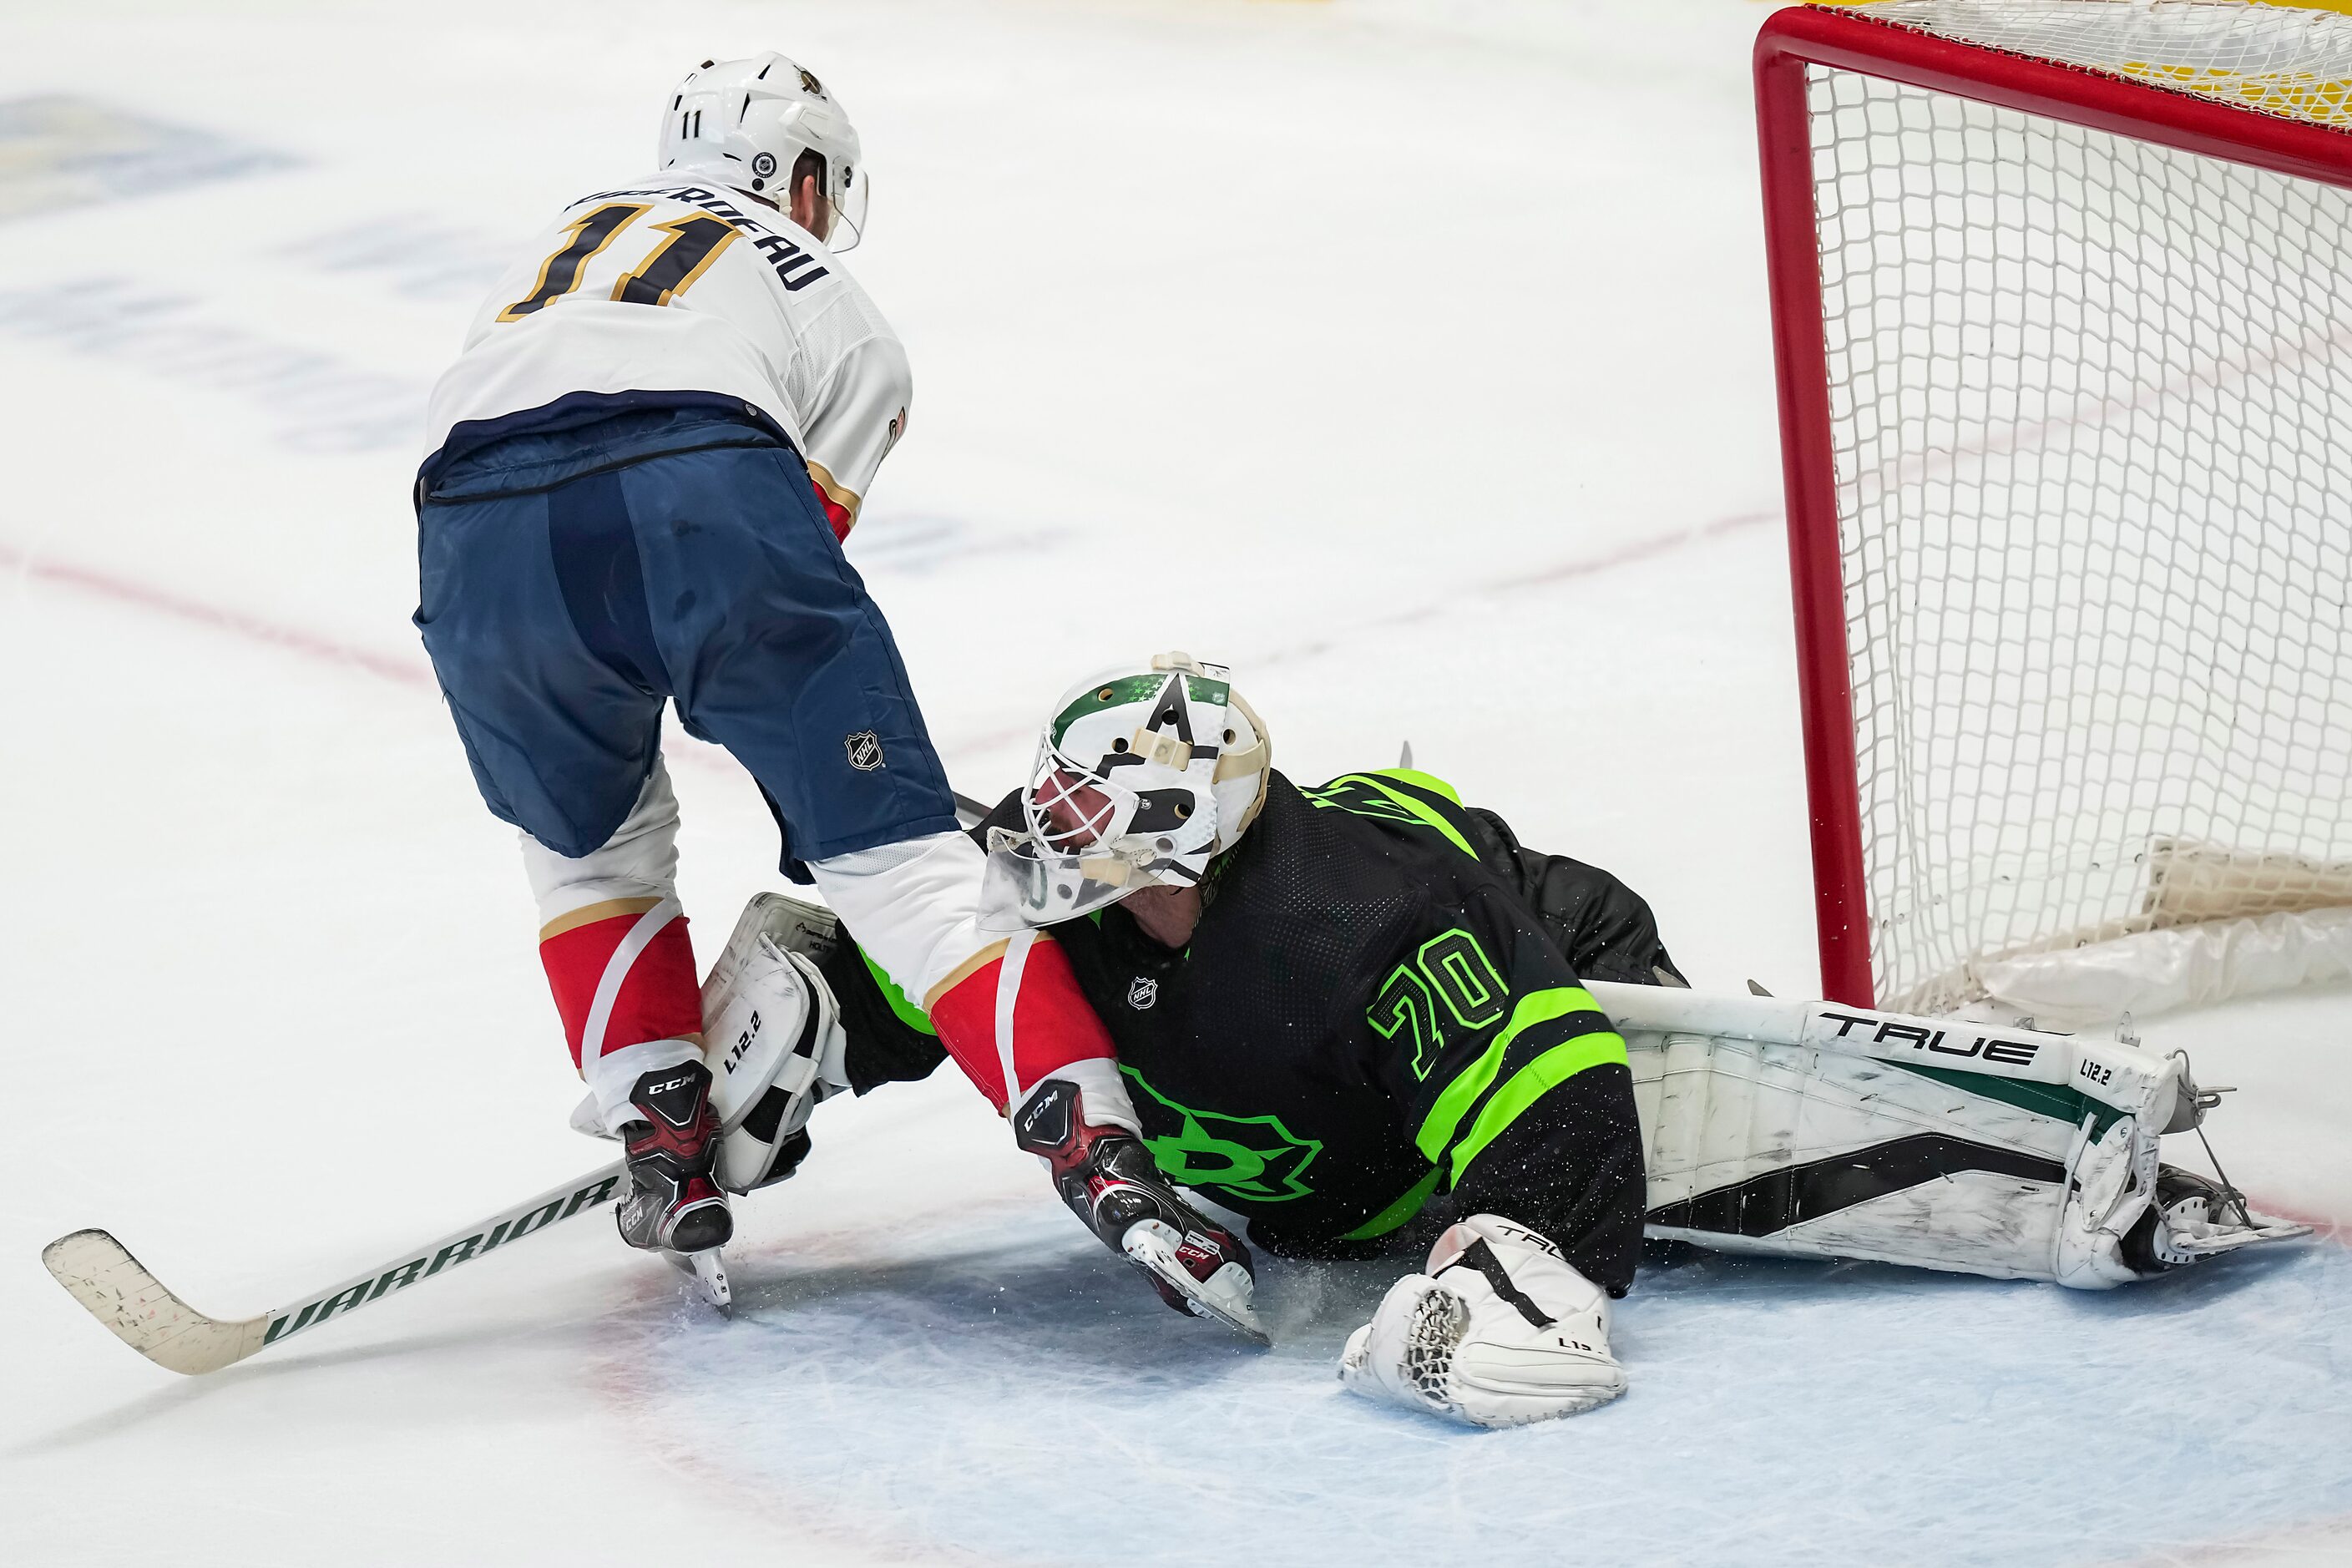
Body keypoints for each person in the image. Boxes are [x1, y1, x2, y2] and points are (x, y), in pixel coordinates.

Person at [709, 652, 2307, 1429]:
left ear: (1190, 841)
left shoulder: (1361, 934)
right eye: (1052, 802)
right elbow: (933, 967)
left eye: (1093, 819)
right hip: (1342, 1081)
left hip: (1551, 948)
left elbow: (1568, 1129)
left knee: (1614, 1146)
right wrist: (814, 1018)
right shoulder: (1069, 904)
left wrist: (1509, 1261)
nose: (1046, 845)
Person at [412, 58, 1252, 1327]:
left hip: (468, 526)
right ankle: (1103, 1159)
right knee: (907, 874)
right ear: (802, 176)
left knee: (586, 853)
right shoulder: (842, 309)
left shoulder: (561, 238)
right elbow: (784, 564)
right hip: (702, 484)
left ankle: (661, 1129)